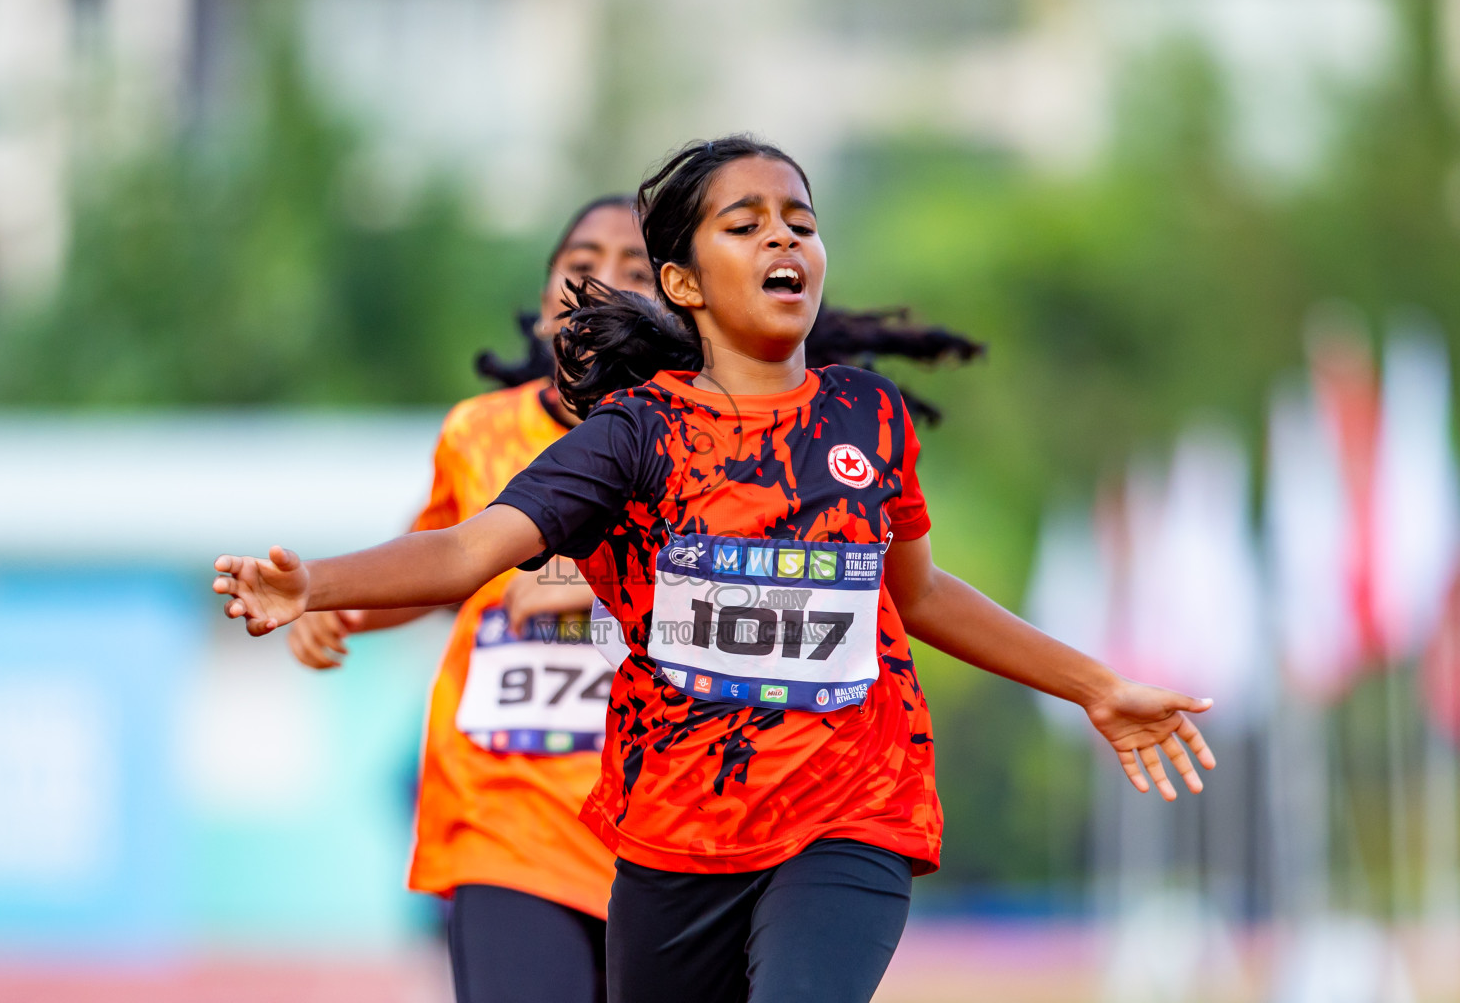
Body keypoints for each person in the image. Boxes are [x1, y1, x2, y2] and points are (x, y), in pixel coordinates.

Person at [213, 136, 1216, 1003]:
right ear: (684, 283)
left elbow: (922, 595)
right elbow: (467, 550)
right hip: (671, 834)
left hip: (848, 810)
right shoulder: (630, 438)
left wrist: (1096, 685)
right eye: (747, 223)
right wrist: (320, 586)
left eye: (800, 220)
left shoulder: (867, 419)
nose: (784, 237)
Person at [284, 194, 653, 1003]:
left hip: (666, 824)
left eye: (636, 270)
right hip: (504, 809)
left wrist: (560, 583)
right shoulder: (477, 434)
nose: (602, 283)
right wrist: (332, 605)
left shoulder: (711, 441)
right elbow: (436, 564)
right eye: (580, 265)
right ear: (544, 300)